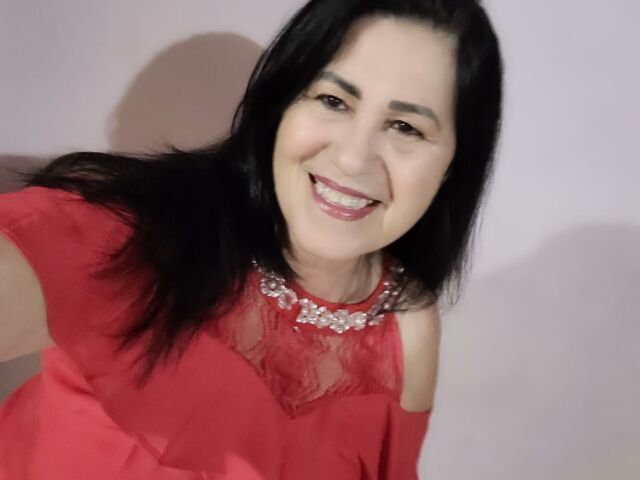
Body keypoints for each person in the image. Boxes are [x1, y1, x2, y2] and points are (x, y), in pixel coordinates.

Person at [0, 0, 502, 478]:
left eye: (406, 127)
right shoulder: (140, 239)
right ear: (281, 105)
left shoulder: (407, 327)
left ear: (453, 165)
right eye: (333, 100)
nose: (353, 158)